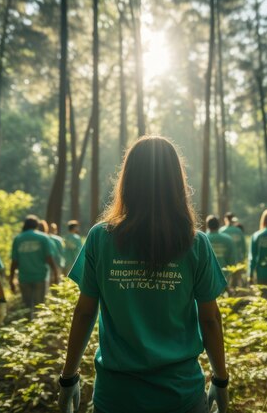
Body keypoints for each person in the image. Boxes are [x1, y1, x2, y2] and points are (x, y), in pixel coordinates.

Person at [58, 136, 229, 413]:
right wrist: (221, 381)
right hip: (181, 395)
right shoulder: (194, 243)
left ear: (128, 180)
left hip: (117, 396)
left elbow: (85, 313)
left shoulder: (100, 238)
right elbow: (209, 319)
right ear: (176, 182)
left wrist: (68, 378)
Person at [10, 215, 60, 319]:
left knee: (27, 307)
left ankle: (27, 327)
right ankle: (37, 329)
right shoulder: (43, 237)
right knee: (39, 307)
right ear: (37, 225)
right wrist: (55, 273)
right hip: (40, 277)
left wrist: (11, 279)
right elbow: (49, 258)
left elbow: (14, 261)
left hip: (24, 278)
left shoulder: (18, 239)